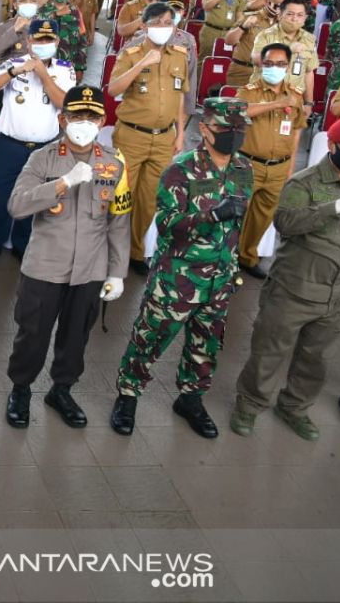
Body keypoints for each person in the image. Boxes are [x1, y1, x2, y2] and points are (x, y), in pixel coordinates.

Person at [110, 98, 254, 439]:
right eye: (224, 128)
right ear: (204, 129)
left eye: (238, 129)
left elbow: (237, 227)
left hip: (219, 278)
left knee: (206, 344)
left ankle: (191, 398)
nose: (232, 134)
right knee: (151, 338)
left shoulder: (243, 169)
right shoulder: (182, 168)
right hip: (179, 277)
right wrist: (211, 214)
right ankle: (128, 396)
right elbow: (169, 223)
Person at [3, 86, 131, 428]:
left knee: (76, 336)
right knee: (32, 334)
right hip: (45, 266)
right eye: (77, 116)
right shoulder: (42, 159)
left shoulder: (114, 164)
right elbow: (16, 206)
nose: (84, 123)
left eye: (91, 117)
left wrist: (117, 272)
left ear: (103, 121)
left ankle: (61, 389)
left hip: (90, 268)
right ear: (63, 119)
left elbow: (119, 221)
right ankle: (21, 389)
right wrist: (62, 183)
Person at [231, 112, 340, 440]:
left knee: (316, 359)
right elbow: (285, 224)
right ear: (332, 145)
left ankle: (295, 407)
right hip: (294, 289)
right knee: (270, 351)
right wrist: (334, 208)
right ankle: (249, 405)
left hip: (339, 293)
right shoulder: (304, 182)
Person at [0, 19, 76, 265]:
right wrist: (14, 72)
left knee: (34, 196)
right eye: (38, 39)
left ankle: (23, 244)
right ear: (28, 42)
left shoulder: (65, 69)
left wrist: (44, 76)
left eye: (48, 39)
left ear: (56, 42)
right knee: (2, 194)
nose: (43, 44)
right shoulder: (13, 63)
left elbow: (65, 103)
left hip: (44, 148)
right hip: (10, 144)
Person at [107, 2, 189, 275]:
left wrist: (181, 132)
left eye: (168, 22)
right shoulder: (131, 53)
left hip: (164, 138)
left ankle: (135, 251)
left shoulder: (180, 54)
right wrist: (143, 62)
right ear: (143, 26)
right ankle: (111, 251)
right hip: (132, 135)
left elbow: (179, 98)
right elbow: (113, 89)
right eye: (157, 22)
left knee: (149, 199)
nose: (163, 28)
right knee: (122, 197)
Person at [233, 43, 307, 279]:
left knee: (262, 217)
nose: (274, 68)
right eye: (269, 63)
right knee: (235, 214)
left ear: (288, 66)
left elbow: (296, 131)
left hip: (278, 167)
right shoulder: (249, 90)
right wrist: (276, 104)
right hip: (248, 164)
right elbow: (237, 112)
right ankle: (227, 258)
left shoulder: (295, 95)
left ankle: (247, 257)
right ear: (261, 64)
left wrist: (291, 166)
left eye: (280, 64)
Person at [251, 0, 317, 107]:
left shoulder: (309, 40)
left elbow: (308, 72)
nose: (295, 18)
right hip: (265, 99)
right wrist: (288, 50)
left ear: (305, 18)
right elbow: (256, 59)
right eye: (290, 14)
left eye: (300, 15)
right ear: (280, 14)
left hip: (294, 101)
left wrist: (308, 103)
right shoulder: (265, 35)